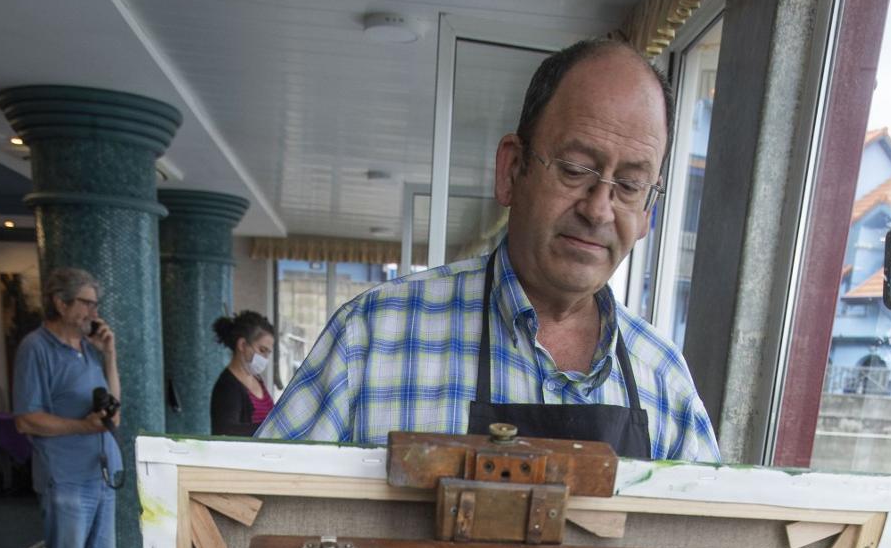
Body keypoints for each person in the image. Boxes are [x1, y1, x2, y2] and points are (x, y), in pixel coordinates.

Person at [258, 38, 719, 462]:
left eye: (631, 184)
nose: (599, 209)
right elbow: (251, 510)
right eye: (576, 169)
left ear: (647, 214)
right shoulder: (371, 339)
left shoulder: (665, 380)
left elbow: (711, 544)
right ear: (512, 169)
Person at [12, 267, 141, 548]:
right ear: (60, 303)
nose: (93, 310)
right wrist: (81, 428)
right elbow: (26, 420)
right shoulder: (36, 349)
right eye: (85, 302)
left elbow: (113, 407)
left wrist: (110, 355)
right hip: (65, 478)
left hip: (102, 472)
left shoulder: (87, 348)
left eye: (94, 303)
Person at [210, 311, 276, 436]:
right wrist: (273, 427)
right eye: (262, 350)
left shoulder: (257, 378)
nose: (265, 358)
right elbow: (226, 430)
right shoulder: (228, 386)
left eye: (268, 353)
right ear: (242, 345)